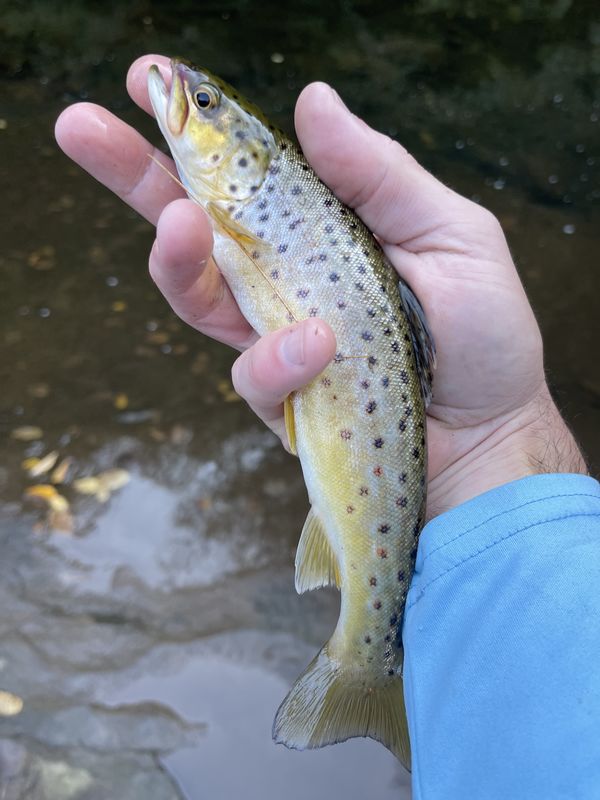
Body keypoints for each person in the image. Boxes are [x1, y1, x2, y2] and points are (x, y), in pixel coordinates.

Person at [55, 54, 599, 798]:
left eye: (206, 103)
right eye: (206, 102)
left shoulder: (252, 203)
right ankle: (367, 656)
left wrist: (499, 428)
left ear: (251, 158)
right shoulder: (227, 207)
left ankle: (362, 660)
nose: (187, 97)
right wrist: (504, 439)